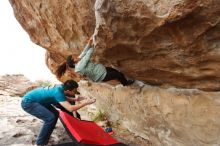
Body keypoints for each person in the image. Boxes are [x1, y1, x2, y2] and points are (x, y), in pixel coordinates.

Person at [21, 80, 96, 146]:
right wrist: (86, 103)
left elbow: (62, 98)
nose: (76, 92)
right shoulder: (58, 91)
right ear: (68, 91)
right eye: (74, 90)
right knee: (50, 118)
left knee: (55, 114)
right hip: (28, 102)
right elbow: (70, 109)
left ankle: (46, 136)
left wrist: (76, 99)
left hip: (40, 102)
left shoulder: (60, 87)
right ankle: (40, 143)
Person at [56, 37, 134, 86]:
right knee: (118, 74)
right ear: (74, 61)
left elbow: (83, 52)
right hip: (101, 75)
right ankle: (125, 83)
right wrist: (94, 45)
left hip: (101, 70)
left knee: (114, 71)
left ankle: (123, 82)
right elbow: (87, 55)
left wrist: (89, 43)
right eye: (74, 57)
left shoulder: (78, 61)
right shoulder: (80, 66)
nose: (76, 56)